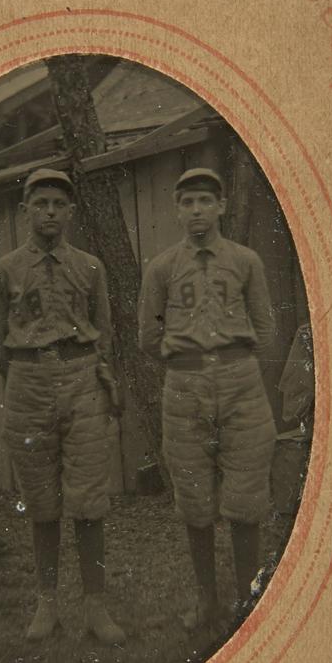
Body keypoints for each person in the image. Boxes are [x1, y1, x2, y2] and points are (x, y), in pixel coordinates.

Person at [0, 167, 125, 645]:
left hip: (82, 379)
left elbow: (103, 329)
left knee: (88, 498)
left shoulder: (89, 267)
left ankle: (95, 606)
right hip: (27, 383)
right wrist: (30, 374)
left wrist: (83, 371)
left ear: (69, 212)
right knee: (42, 500)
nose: (49, 212)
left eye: (57, 205)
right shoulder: (4, 270)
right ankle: (46, 603)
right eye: (39, 204)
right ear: (25, 211)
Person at [138, 167, 276, 632]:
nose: (196, 211)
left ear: (220, 207)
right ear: (177, 211)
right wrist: (189, 360)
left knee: (245, 499)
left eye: (204, 201)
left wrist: (229, 359)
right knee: (194, 497)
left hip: (241, 384)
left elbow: (266, 326)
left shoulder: (245, 261)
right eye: (187, 202)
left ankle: (249, 600)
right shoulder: (161, 268)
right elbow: (147, 336)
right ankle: (206, 602)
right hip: (185, 388)